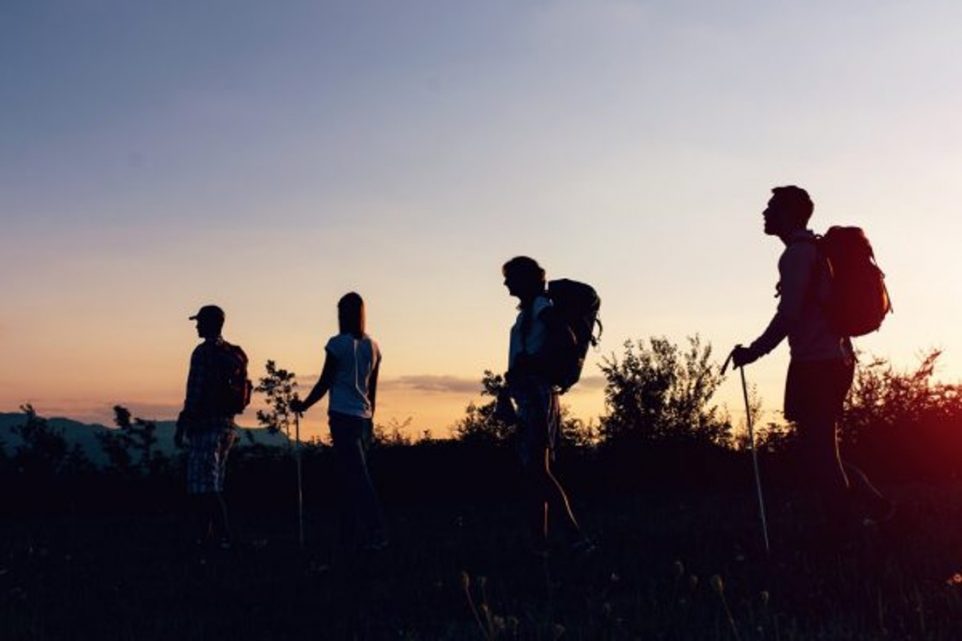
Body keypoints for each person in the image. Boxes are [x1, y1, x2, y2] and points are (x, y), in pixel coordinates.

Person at [729, 186, 893, 536]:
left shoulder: (797, 256)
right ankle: (873, 506)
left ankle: (845, 528)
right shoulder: (812, 251)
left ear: (790, 214)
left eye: (772, 207)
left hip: (817, 363)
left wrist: (753, 352)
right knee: (818, 448)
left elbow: (788, 316)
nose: (765, 213)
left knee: (820, 451)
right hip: (831, 359)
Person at [498, 256, 592, 557]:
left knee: (538, 470)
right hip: (529, 394)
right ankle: (539, 544)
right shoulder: (529, 312)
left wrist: (533, 364)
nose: (506, 284)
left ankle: (576, 537)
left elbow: (566, 338)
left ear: (525, 279)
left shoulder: (540, 308)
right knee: (535, 471)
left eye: (510, 277)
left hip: (536, 395)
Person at [291, 292, 387, 551]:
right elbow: (372, 391)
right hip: (364, 418)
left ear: (343, 314)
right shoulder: (374, 346)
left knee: (357, 477)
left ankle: (376, 532)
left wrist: (304, 405)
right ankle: (349, 535)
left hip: (343, 417)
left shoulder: (337, 344)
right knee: (350, 476)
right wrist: (371, 419)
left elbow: (325, 381)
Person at [175, 304, 244, 551]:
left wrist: (182, 424)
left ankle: (223, 537)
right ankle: (207, 537)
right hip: (228, 427)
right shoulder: (232, 353)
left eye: (200, 321)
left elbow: (194, 392)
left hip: (206, 426)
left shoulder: (203, 353)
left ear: (210, 323)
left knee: (202, 487)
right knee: (212, 483)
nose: (196, 326)